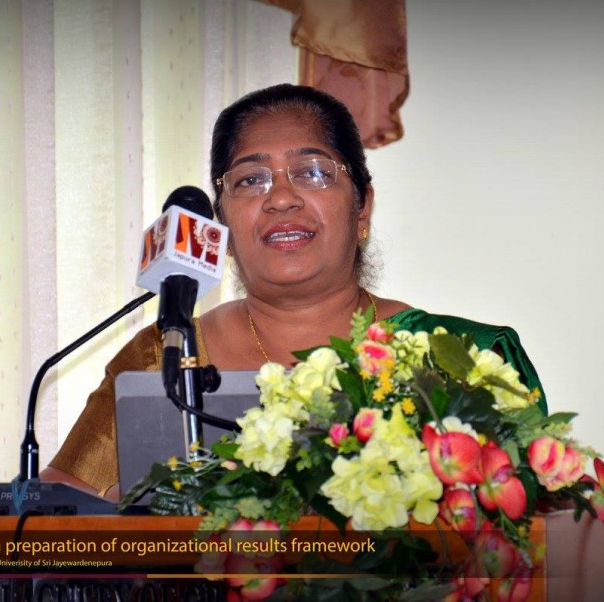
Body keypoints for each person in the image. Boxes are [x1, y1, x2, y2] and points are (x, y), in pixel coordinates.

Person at [41, 84, 546, 499]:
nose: (281, 198)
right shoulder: (166, 357)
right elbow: (49, 519)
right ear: (222, 226)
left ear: (363, 207)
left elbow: (539, 535)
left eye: (312, 172)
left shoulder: (465, 360)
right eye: (250, 180)